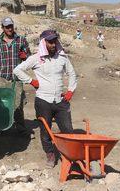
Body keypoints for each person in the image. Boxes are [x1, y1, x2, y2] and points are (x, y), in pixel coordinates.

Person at [13, 30, 77, 167]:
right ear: (43, 42)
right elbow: (17, 70)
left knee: (68, 131)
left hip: (61, 101)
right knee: (46, 131)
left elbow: (72, 74)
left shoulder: (62, 58)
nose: (53, 44)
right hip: (43, 101)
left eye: (54, 41)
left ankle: (70, 156)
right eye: (50, 41)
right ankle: (50, 154)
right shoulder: (36, 58)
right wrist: (31, 81)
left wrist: (70, 90)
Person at [0, 17, 31, 134]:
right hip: (0, 77)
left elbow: (29, 57)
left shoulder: (21, 40)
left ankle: (20, 129)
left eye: (11, 26)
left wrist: (26, 56)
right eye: (7, 26)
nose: (9, 28)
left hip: (16, 78)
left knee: (17, 104)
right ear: (3, 28)